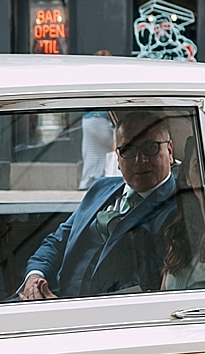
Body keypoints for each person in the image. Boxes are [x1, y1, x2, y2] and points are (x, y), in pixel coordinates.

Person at [20, 111, 180, 300]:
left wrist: (67, 308)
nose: (140, 160)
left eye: (150, 148)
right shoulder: (100, 188)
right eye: (128, 150)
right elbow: (58, 241)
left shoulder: (179, 208)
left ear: (169, 151)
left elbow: (146, 284)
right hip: (49, 295)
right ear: (118, 158)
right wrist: (35, 276)